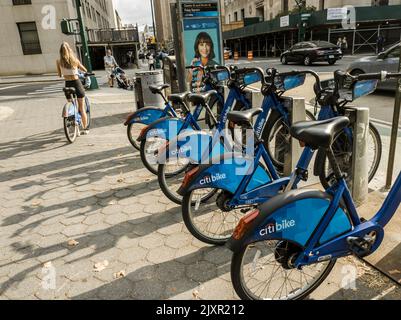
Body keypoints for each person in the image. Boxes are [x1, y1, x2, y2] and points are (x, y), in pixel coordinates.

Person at [56, 42, 89, 135]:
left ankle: (76, 130)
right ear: (69, 50)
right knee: (81, 108)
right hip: (77, 84)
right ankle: (85, 129)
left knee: (71, 107)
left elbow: (59, 75)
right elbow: (85, 70)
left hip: (68, 85)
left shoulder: (58, 61)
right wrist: (76, 70)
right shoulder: (75, 60)